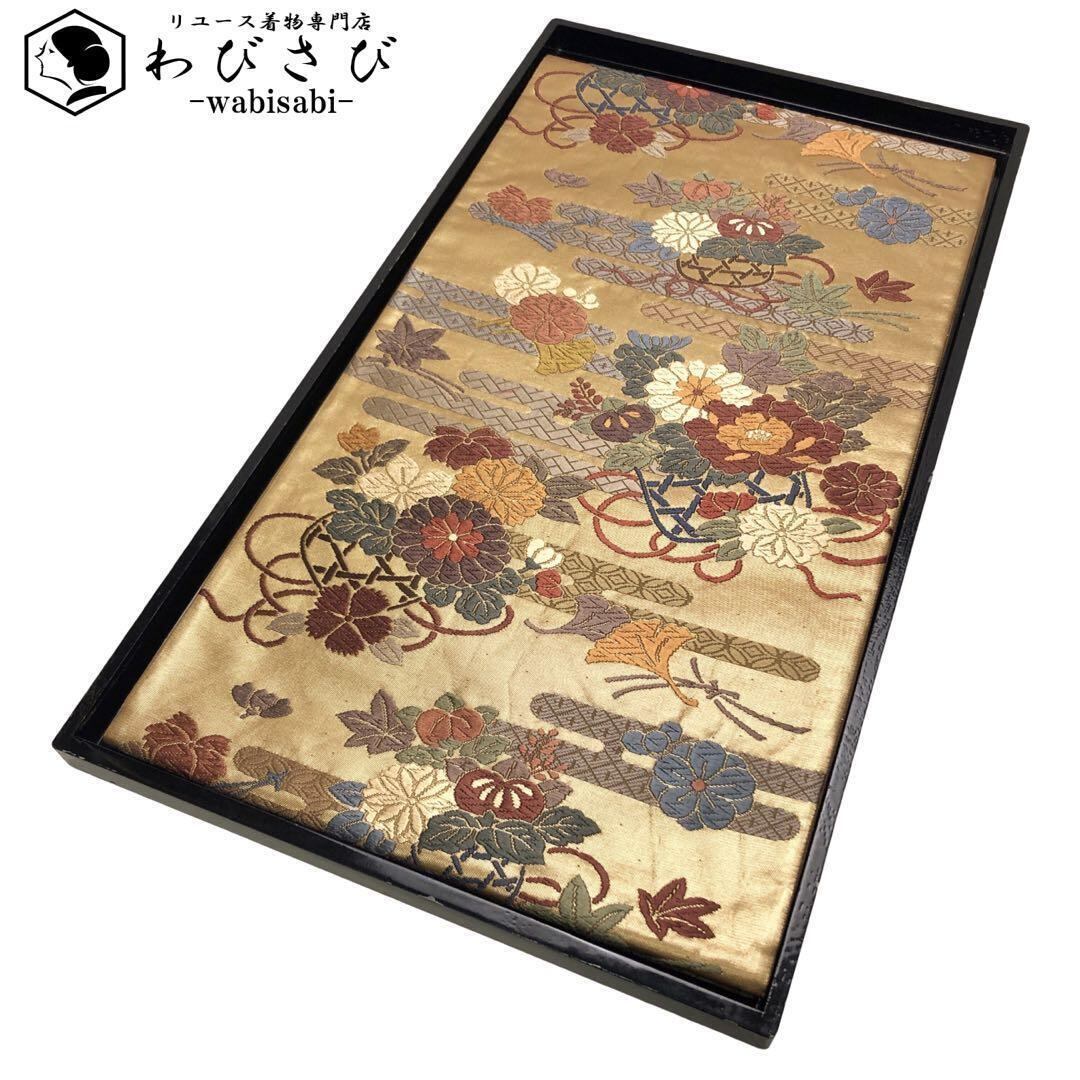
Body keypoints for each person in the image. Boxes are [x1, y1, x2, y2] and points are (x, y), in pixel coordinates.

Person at [36, 24, 111, 107]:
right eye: (42, 50)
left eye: (50, 51)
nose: (39, 56)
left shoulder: (81, 103)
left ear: (72, 60)